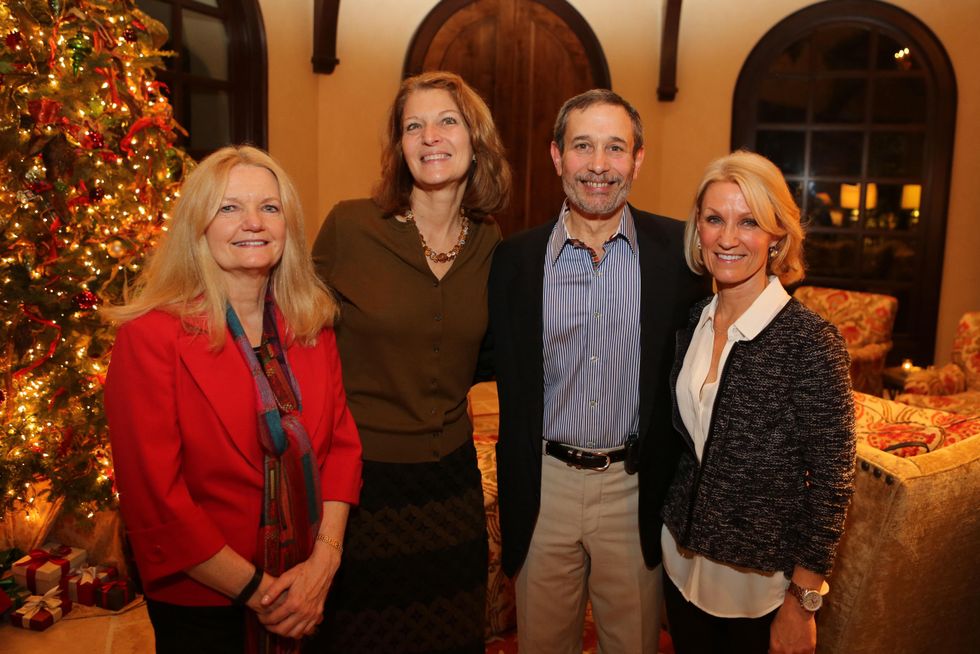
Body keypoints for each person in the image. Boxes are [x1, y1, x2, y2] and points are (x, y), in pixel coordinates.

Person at [104, 146, 363, 654]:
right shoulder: (149, 337)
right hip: (205, 597)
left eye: (270, 207)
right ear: (197, 226)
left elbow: (342, 451)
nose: (253, 222)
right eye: (229, 207)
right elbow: (158, 501)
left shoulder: (311, 324)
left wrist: (323, 565)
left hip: (309, 581)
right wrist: (264, 595)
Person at [487, 89, 709, 653]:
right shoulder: (514, 261)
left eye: (616, 148)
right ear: (557, 157)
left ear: (638, 159)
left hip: (634, 488)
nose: (599, 165)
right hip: (544, 486)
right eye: (583, 146)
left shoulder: (681, 256)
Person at [307, 71, 512, 653]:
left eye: (447, 121)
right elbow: (296, 335)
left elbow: (489, 353)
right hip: (359, 484)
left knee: (450, 635)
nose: (431, 137)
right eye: (413, 126)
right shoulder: (350, 226)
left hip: (450, 485)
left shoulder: (491, 242)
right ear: (399, 146)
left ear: (475, 139)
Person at [660, 150, 856, 654]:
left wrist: (803, 599)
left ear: (777, 237)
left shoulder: (810, 343)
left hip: (757, 590)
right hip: (680, 566)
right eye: (714, 219)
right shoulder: (694, 319)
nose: (727, 238)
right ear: (697, 229)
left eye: (748, 222)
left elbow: (833, 482)